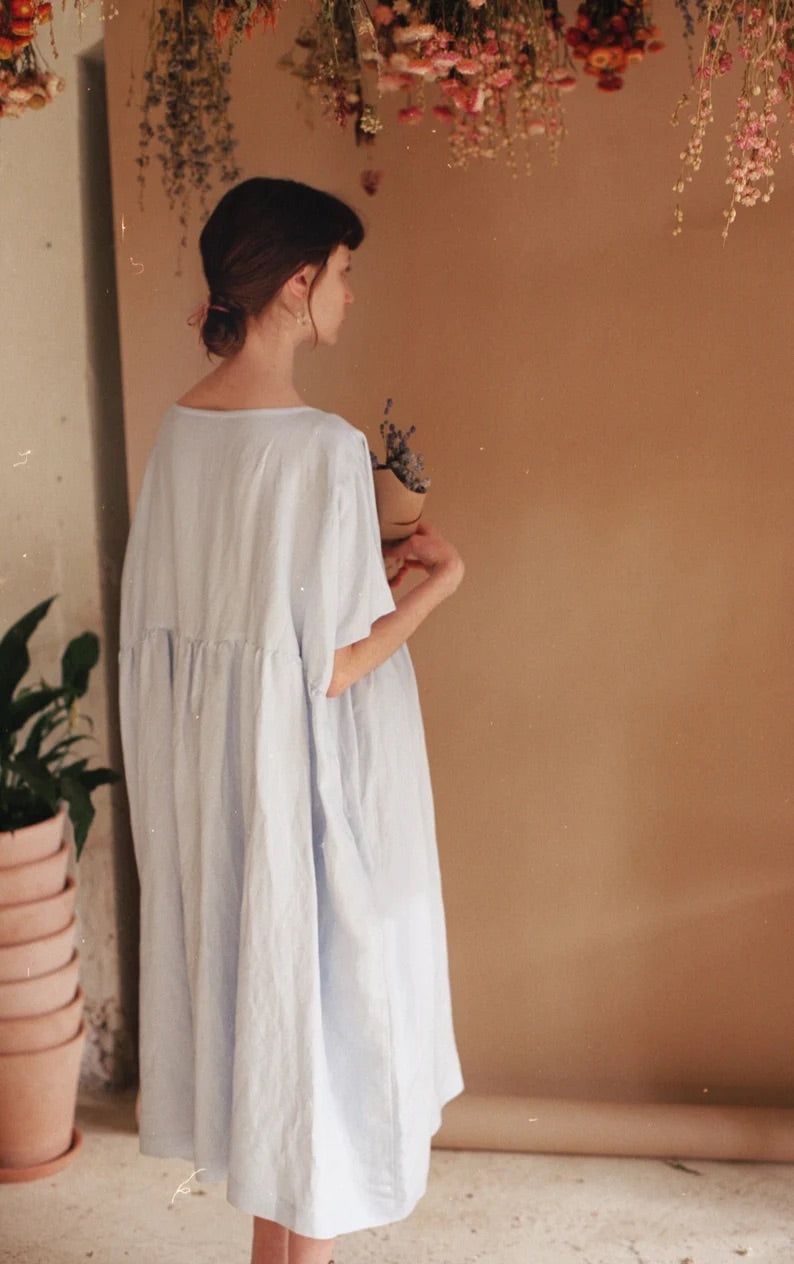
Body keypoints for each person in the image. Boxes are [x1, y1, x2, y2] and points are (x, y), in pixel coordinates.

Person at [119, 177, 464, 1264]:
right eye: (344, 275)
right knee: (327, 1035)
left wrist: (358, 565)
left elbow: (223, 624)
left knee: (285, 1035)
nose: (351, 299)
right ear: (297, 283)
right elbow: (331, 663)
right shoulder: (318, 444)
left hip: (226, 790)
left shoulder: (180, 430)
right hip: (314, 790)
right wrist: (434, 587)